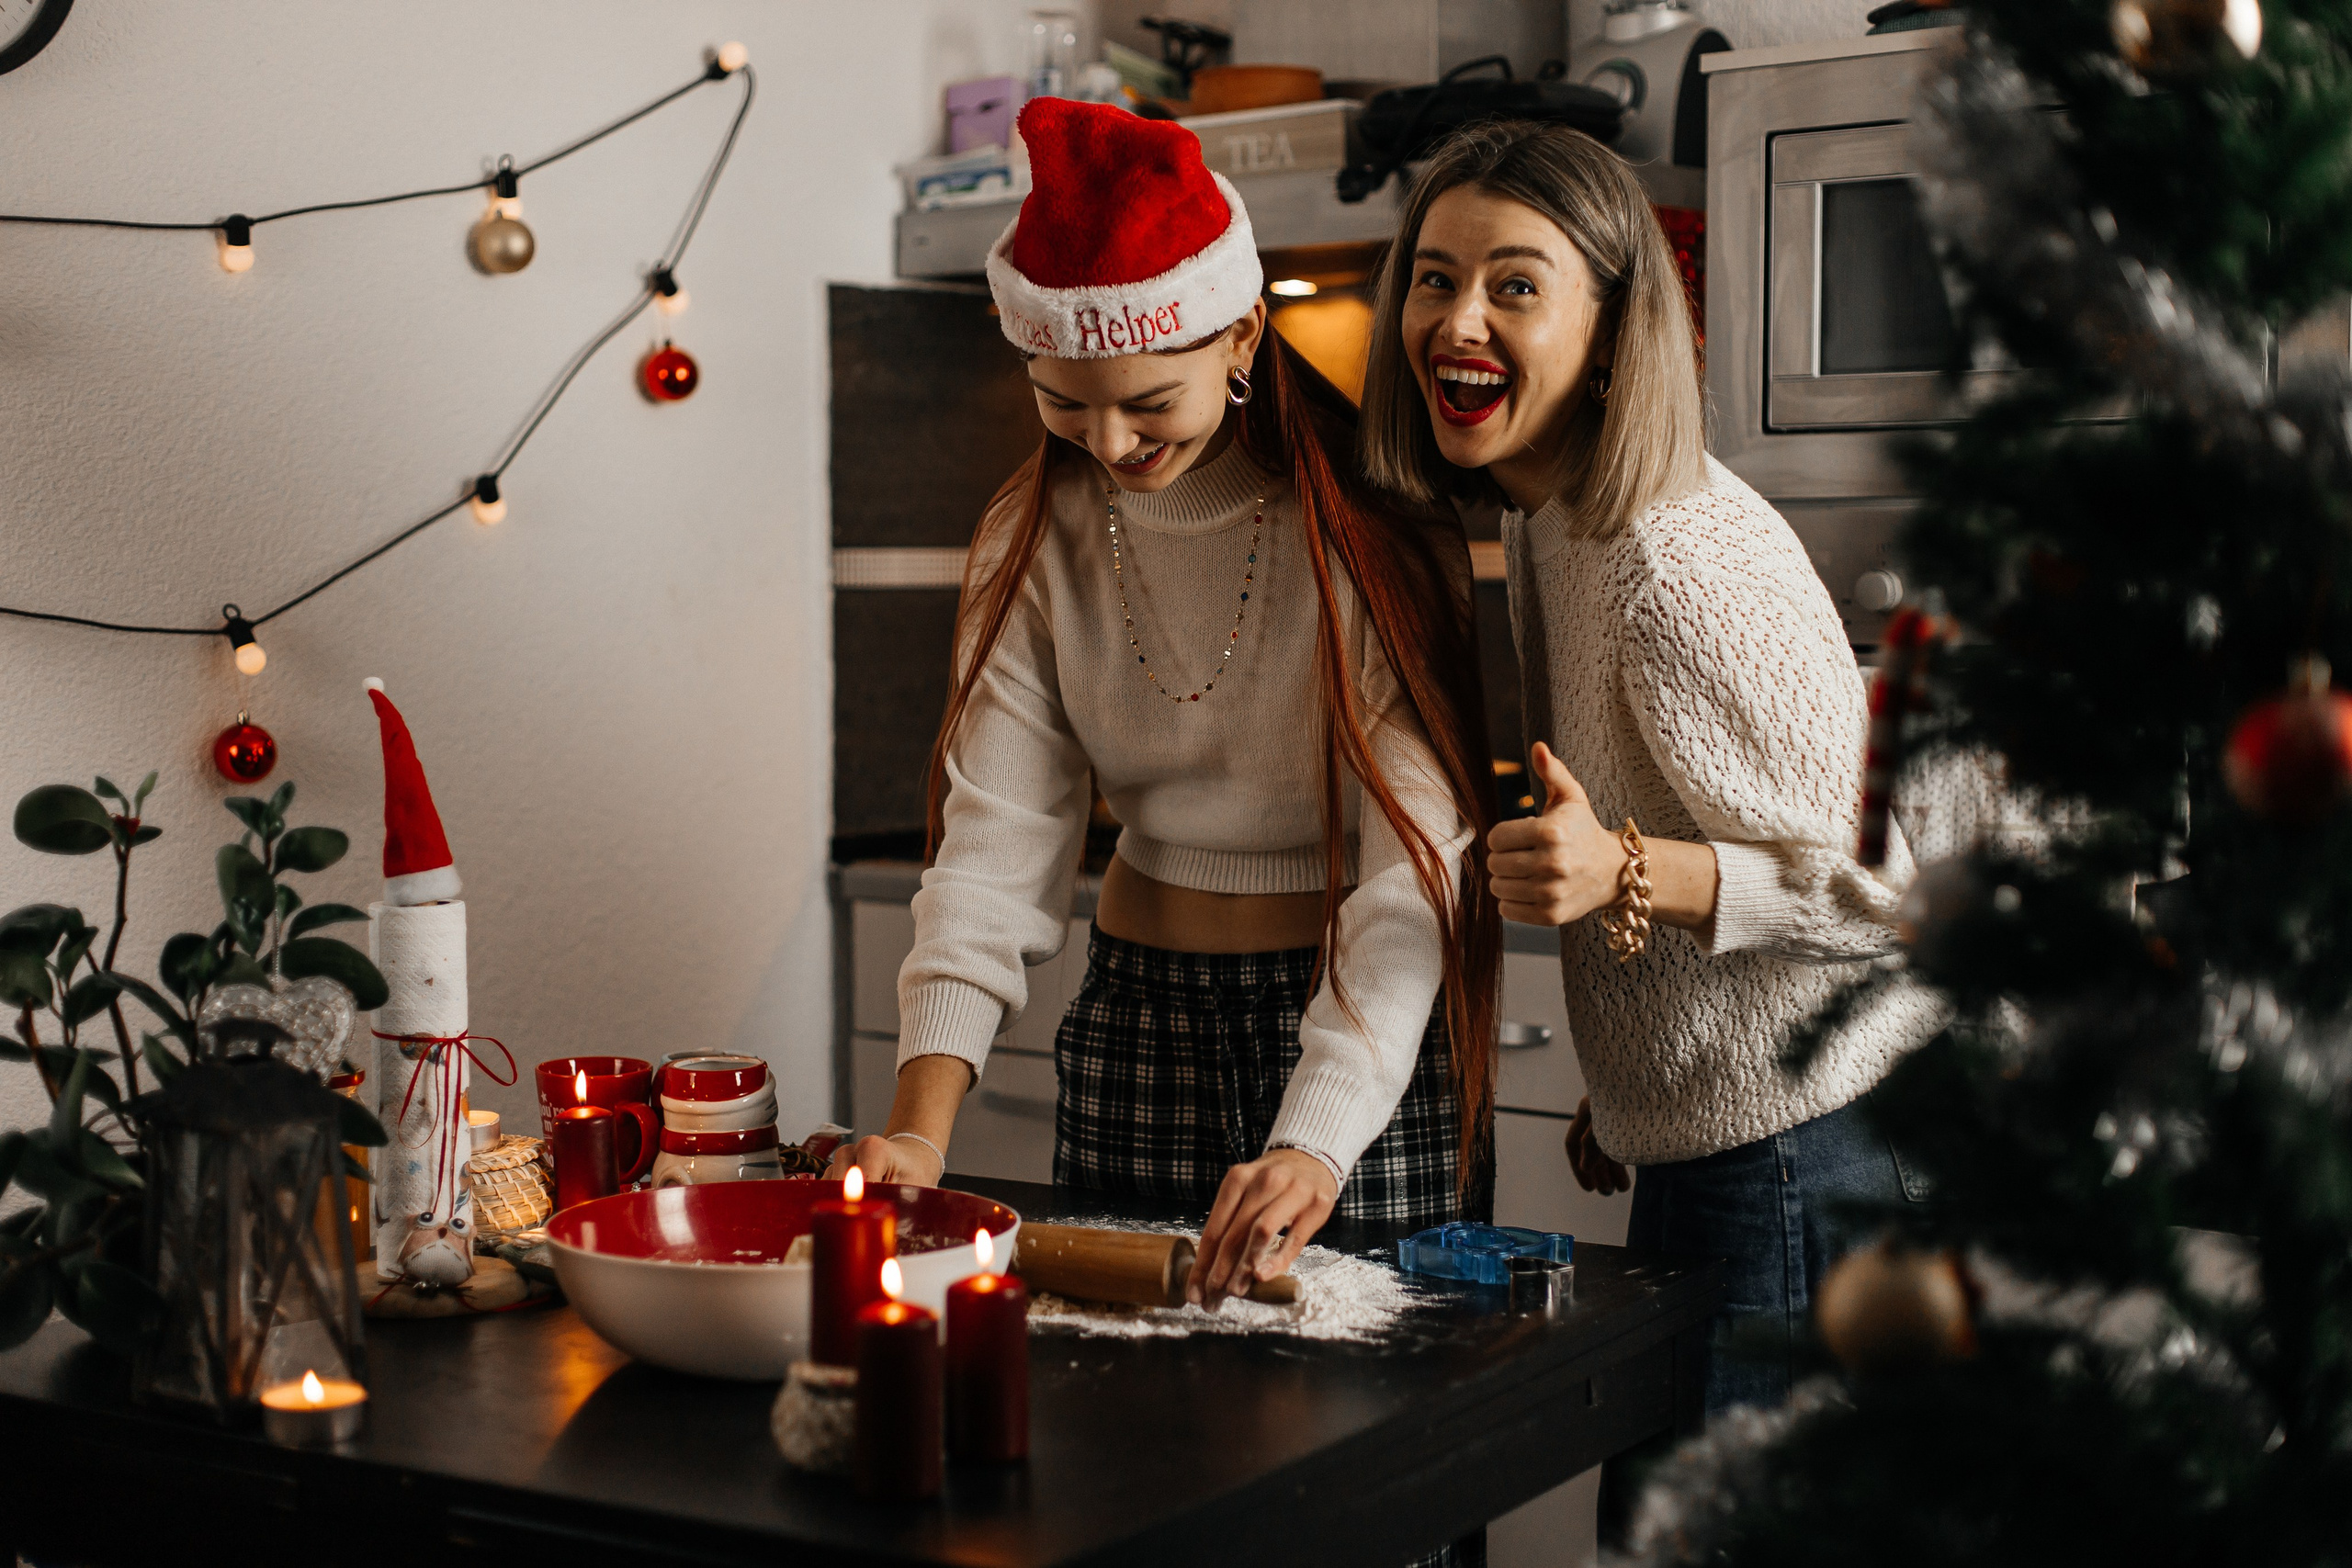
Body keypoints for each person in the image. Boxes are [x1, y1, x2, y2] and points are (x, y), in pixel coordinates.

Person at [832, 98, 1502, 1312]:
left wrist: (1317, 1137)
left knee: (1367, 1430)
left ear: (1242, 335)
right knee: (1129, 1423)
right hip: (1140, 1017)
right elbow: (991, 857)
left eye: (1149, 403)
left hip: (1362, 1021)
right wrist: (919, 1136)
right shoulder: (1030, 540)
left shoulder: (1371, 533)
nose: (1107, 442)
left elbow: (1412, 872)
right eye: (1062, 404)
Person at [1358, 118, 1941, 1423]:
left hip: (1804, 1141)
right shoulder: (1553, 516)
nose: (1458, 321)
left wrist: (1625, 871)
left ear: (1615, 330)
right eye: (1436, 278)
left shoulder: (1677, 561)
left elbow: (1887, 892)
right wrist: (1632, 1078)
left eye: (1516, 284)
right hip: (1727, 1129)